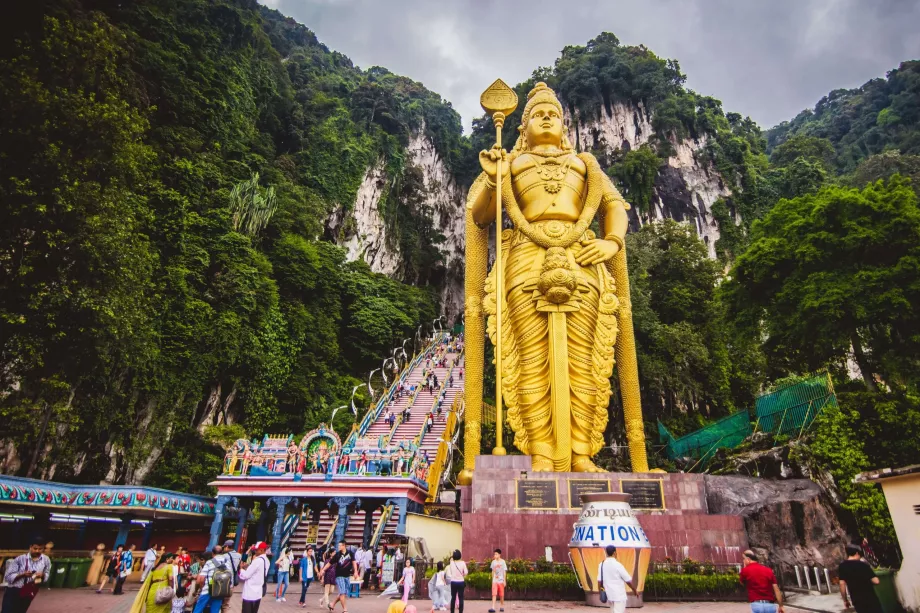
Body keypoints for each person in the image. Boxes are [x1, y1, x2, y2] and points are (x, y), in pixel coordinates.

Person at [1, 537, 51, 613]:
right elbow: (8, 577)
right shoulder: (20, 559)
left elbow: (47, 574)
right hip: (14, 590)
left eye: (40, 549)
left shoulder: (46, 560)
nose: (37, 551)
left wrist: (43, 575)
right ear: (30, 547)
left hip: (29, 590)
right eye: (35, 548)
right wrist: (22, 575)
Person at [838, 544, 883, 613]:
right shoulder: (863, 565)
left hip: (857, 600)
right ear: (856, 553)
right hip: (870, 598)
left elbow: (842, 584)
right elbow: (876, 581)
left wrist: (845, 600)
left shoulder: (842, 567)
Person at [597, 545, 635, 613]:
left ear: (606, 552)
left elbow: (599, 581)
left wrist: (600, 592)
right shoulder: (618, 565)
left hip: (609, 595)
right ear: (614, 553)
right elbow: (628, 580)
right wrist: (634, 590)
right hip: (619, 595)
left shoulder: (601, 565)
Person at [322, 540, 358, 612]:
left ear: (344, 545)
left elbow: (354, 563)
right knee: (342, 593)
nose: (338, 547)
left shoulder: (350, 553)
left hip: (347, 576)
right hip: (339, 576)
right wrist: (323, 570)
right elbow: (329, 563)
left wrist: (356, 571)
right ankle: (345, 610)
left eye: (340, 545)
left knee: (344, 593)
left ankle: (332, 604)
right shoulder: (337, 555)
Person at [193, 546, 230, 613]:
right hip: (221, 589)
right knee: (215, 610)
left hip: (209, 587)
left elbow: (201, 579)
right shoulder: (227, 562)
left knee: (198, 609)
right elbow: (230, 577)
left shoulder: (210, 562)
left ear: (212, 553)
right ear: (222, 553)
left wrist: (201, 588)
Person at [238, 541, 269, 613]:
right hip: (258, 591)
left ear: (261, 550)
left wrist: (241, 569)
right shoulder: (266, 560)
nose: (255, 551)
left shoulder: (257, 561)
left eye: (256, 550)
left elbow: (245, 575)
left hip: (250, 592)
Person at [489, 549, 507, 613]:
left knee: (501, 595)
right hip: (495, 580)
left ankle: (501, 606)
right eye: (494, 554)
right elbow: (493, 571)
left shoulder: (503, 562)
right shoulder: (493, 562)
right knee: (494, 594)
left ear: (499, 555)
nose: (495, 555)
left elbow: (504, 572)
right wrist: (492, 580)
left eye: (496, 554)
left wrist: (504, 580)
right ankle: (493, 607)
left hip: (501, 580)